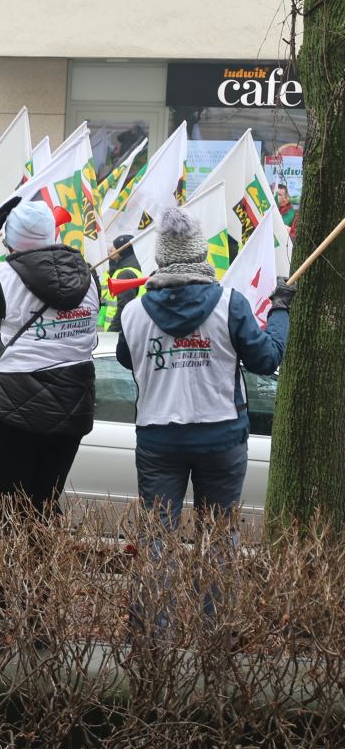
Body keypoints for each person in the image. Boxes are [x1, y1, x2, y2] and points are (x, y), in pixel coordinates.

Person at [0, 197, 101, 632]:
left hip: (10, 412)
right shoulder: (90, 278)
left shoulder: (2, 280)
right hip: (68, 414)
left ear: (11, 242)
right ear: (54, 235)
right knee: (43, 513)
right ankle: (39, 618)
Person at [116, 202, 290, 545]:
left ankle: (157, 601)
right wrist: (280, 309)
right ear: (201, 252)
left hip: (158, 437)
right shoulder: (230, 303)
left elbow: (126, 359)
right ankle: (213, 601)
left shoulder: (134, 312)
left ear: (160, 257)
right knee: (219, 541)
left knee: (157, 542)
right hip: (221, 435)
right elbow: (267, 359)